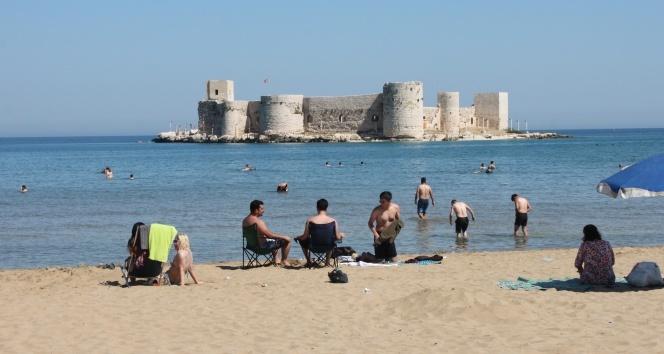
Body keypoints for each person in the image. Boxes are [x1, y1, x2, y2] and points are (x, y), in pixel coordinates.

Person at [295, 199, 344, 266]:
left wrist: (298, 237)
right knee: (331, 238)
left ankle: (309, 261)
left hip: (313, 247)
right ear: (327, 208)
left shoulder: (310, 221)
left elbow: (305, 237)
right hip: (328, 247)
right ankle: (327, 263)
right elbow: (338, 237)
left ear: (317, 207)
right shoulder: (333, 221)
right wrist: (341, 235)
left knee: (302, 240)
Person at [242, 200, 292, 266]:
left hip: (251, 246)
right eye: (262, 209)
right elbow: (270, 235)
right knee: (287, 240)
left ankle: (276, 260)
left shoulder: (244, 221)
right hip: (262, 248)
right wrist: (284, 237)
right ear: (256, 210)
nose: (264, 210)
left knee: (274, 240)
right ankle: (284, 261)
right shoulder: (258, 222)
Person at [368, 191, 401, 262]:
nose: (381, 203)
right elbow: (370, 223)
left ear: (389, 201)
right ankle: (366, 255)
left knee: (394, 260)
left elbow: (398, 222)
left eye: (383, 202)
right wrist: (376, 234)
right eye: (380, 201)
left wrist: (394, 234)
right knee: (380, 260)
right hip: (379, 235)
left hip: (390, 235)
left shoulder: (396, 208)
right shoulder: (377, 210)